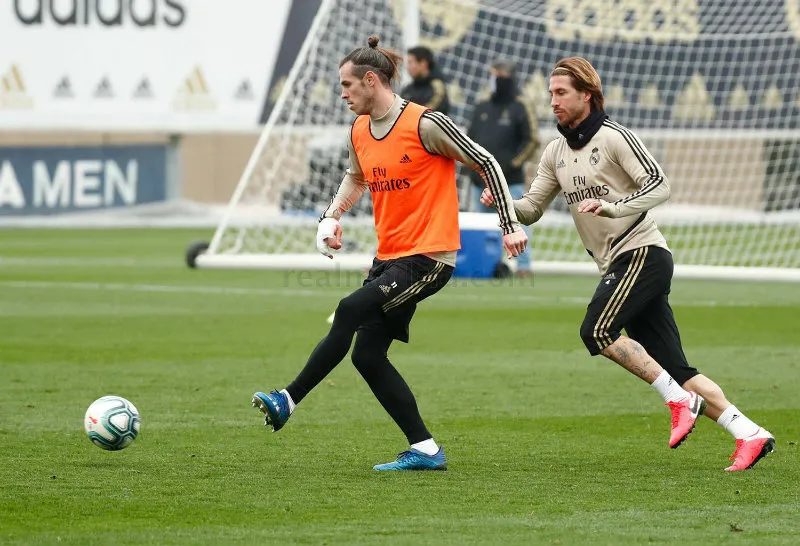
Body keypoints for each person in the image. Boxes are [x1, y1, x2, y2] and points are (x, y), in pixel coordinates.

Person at [481, 57, 774, 471]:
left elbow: (660, 184)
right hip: (618, 264)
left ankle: (677, 401)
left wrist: (615, 208)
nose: (553, 101)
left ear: (587, 94)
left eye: (561, 92)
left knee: (597, 330)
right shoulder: (555, 151)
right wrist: (505, 204)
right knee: (678, 370)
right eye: (550, 93)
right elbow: (532, 208)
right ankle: (749, 433)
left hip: (642, 253)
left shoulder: (615, 137)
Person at [253, 36, 527, 471]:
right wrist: (330, 217)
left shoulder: (426, 124)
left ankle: (287, 398)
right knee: (367, 355)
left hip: (430, 258)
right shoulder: (359, 129)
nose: (342, 93)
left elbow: (488, 163)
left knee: (348, 307)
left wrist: (510, 225)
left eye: (347, 84)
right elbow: (354, 178)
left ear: (370, 80)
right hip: (391, 257)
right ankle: (425, 449)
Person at [468, 58, 539, 275]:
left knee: (515, 220)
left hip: (509, 179)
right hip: (479, 179)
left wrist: (511, 164)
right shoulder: (482, 106)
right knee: (483, 226)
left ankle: (523, 265)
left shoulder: (521, 105)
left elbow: (532, 140)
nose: (493, 80)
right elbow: (469, 139)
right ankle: (491, 266)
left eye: (497, 76)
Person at [400, 45, 450, 114]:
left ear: (423, 63)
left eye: (410, 62)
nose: (407, 67)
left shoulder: (437, 87)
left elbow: (431, 112)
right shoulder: (408, 89)